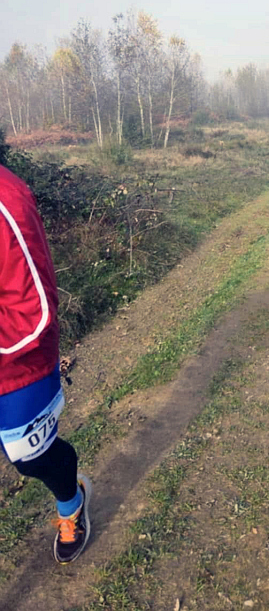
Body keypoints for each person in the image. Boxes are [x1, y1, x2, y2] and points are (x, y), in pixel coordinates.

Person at [0, 163, 91, 564]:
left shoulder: (7, 199)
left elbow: (32, 311)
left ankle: (72, 503)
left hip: (20, 363)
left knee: (30, 458)